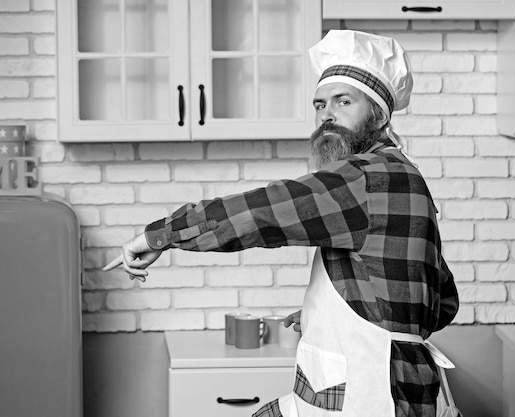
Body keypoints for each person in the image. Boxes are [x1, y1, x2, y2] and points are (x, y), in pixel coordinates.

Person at [104, 30, 458, 417]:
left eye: (344, 101)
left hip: (371, 393)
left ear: (379, 114)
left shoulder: (365, 178)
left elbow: (260, 212)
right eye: (320, 104)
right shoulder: (406, 175)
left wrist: (158, 237)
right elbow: (442, 303)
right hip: (400, 385)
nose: (327, 115)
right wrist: (338, 313)